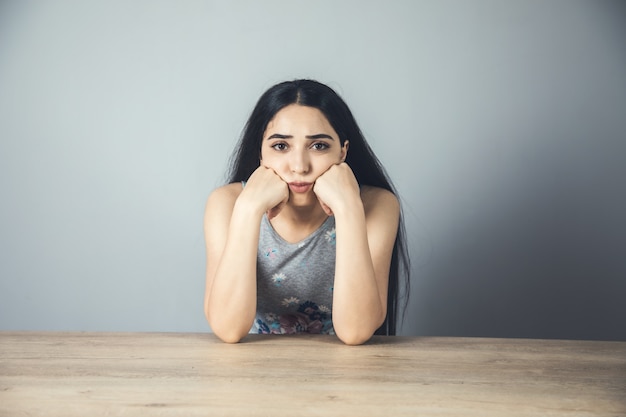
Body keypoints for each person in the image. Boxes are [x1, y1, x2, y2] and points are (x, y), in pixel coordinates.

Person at [203, 79, 410, 345]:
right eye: (280, 146)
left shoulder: (377, 204)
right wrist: (248, 208)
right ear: (260, 153)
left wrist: (348, 209)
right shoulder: (227, 203)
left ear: (342, 152)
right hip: (253, 373)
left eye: (319, 146)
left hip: (346, 374)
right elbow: (228, 329)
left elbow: (356, 332)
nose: (299, 166)